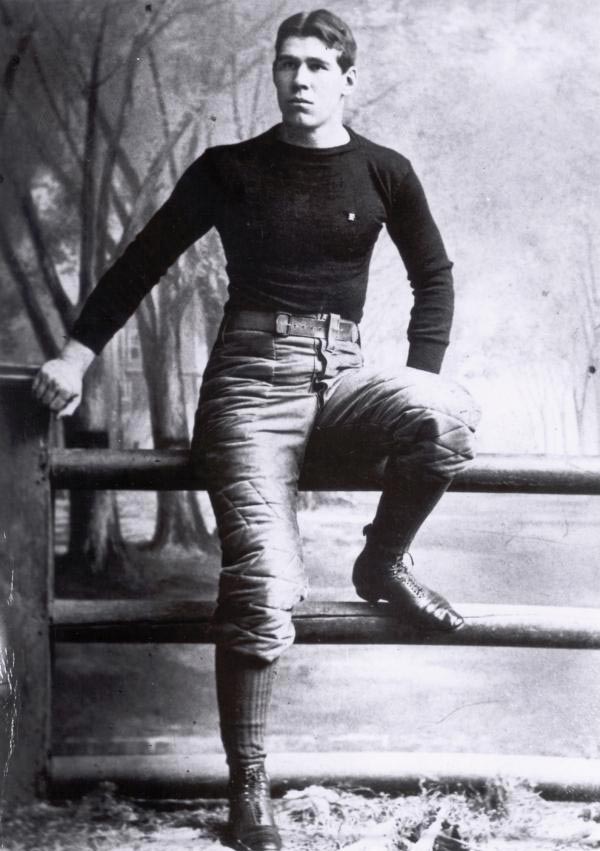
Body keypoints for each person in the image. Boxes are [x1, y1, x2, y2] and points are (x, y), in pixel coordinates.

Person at [33, 9, 480, 850]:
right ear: (273, 76)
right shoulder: (230, 168)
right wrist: (75, 354)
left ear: (348, 76)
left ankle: (382, 562)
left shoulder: (386, 170)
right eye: (288, 65)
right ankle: (250, 790)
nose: (301, 79)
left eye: (318, 65)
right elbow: (143, 257)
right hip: (249, 388)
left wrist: (417, 375)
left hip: (343, 377)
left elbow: (435, 279)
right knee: (265, 584)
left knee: (448, 416)